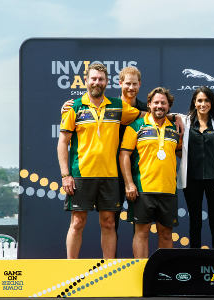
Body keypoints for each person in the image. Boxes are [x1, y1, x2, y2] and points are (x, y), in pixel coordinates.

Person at [57, 63, 141, 259]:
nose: (97, 82)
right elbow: (62, 142)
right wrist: (65, 175)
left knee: (109, 223)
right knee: (77, 223)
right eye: (93, 78)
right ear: (86, 80)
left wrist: (175, 116)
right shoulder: (73, 107)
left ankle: (108, 269)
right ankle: (71, 270)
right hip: (81, 174)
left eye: (101, 79)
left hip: (110, 175)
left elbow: (147, 116)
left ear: (106, 82)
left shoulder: (118, 106)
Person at [119, 87, 182, 258]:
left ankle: (165, 276)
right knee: (142, 233)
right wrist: (129, 183)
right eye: (156, 102)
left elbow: (182, 153)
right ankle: (142, 274)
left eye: (163, 103)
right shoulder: (136, 126)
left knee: (167, 235)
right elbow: (124, 155)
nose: (159, 106)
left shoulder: (175, 128)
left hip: (168, 189)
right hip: (142, 189)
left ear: (169, 106)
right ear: (149, 104)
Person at [177, 86, 214, 249]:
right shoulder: (184, 121)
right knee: (195, 221)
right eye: (200, 100)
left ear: (212, 103)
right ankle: (195, 259)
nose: (203, 104)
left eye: (206, 100)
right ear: (194, 102)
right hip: (191, 179)